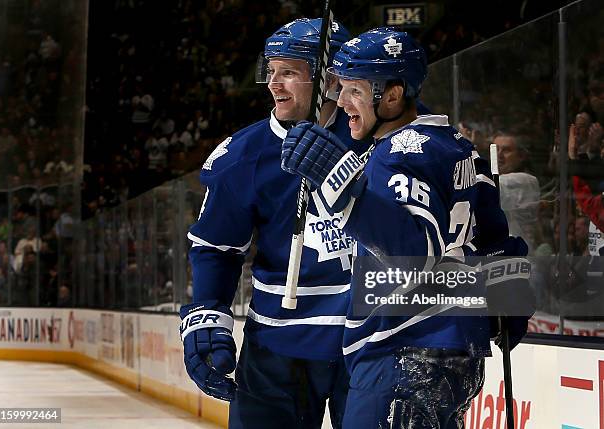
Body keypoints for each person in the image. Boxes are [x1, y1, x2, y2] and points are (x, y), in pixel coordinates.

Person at [281, 28, 534, 428]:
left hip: (401, 352)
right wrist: (509, 298)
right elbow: (493, 239)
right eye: (341, 88)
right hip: (454, 350)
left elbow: (414, 253)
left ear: (393, 95)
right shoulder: (455, 145)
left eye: (354, 91)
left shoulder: (395, 154)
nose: (341, 101)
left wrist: (342, 188)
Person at [179, 18, 364, 429]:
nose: (273, 84)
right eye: (271, 71)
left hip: (369, 335)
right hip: (279, 345)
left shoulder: (378, 135)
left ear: (331, 78)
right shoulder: (242, 156)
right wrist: (206, 314)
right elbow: (216, 248)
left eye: (290, 73)